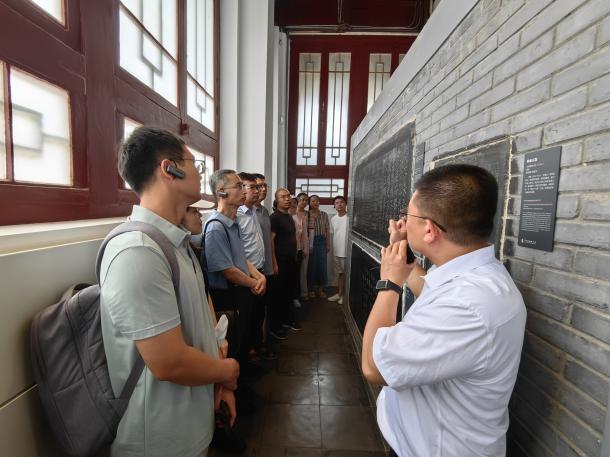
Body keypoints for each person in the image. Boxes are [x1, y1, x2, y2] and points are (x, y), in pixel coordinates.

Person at [361, 164, 526, 457]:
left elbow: (373, 366)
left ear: (429, 229)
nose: (403, 221)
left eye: (408, 215)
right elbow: (428, 292)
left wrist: (389, 284)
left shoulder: (469, 306)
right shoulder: (474, 274)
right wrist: (401, 248)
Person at [101, 126, 239, 457]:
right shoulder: (137, 250)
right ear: (169, 169)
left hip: (189, 424)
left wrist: (219, 381)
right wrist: (228, 371)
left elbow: (199, 325)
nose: (200, 174)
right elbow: (169, 362)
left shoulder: (175, 242)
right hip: (159, 438)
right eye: (194, 164)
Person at [204, 169, 266, 371]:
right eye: (239, 186)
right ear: (221, 192)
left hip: (242, 289)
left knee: (245, 337)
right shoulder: (216, 227)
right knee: (234, 344)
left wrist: (258, 276)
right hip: (229, 295)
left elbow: (240, 257)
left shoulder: (233, 221)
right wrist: (254, 283)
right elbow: (227, 270)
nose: (244, 191)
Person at [236, 172, 266, 361]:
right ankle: (247, 353)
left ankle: (256, 345)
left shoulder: (253, 211)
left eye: (258, 187)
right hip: (246, 274)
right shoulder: (237, 215)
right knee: (246, 317)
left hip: (259, 271)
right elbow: (238, 250)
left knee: (258, 314)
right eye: (253, 187)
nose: (257, 191)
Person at [253, 173, 287, 342]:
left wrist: (273, 262)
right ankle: (256, 343)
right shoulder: (245, 213)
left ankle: (266, 337)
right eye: (258, 186)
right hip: (253, 268)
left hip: (266, 266)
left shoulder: (265, 211)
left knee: (267, 304)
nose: (262, 189)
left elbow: (268, 241)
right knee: (254, 310)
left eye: (264, 186)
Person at [270, 188, 302, 333]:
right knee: (279, 294)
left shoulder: (288, 216)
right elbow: (271, 241)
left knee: (289, 292)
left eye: (288, 196)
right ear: (277, 200)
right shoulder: (274, 218)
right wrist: (274, 263)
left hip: (290, 261)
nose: (287, 199)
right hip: (280, 262)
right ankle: (277, 326)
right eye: (283, 197)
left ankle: (288, 320)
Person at [306, 194, 330, 299]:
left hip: (321, 242)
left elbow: (327, 231)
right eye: (313, 201)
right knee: (311, 266)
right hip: (309, 242)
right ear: (309, 203)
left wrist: (328, 244)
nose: (316, 203)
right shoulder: (307, 214)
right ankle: (311, 289)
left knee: (322, 266)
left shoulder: (324, 214)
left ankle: (320, 289)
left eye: (317, 201)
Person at [329, 195, 348, 305]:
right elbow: (333, 234)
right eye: (336, 203)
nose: (339, 204)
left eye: (341, 202)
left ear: (345, 204)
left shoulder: (350, 218)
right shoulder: (333, 219)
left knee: (347, 275)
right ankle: (340, 294)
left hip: (347, 252)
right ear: (334, 206)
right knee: (340, 274)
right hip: (336, 251)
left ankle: (345, 296)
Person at [295, 192, 310, 301]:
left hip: (305, 245)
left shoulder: (308, 214)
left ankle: (304, 293)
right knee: (294, 272)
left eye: (306, 200)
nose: (304, 202)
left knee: (303, 272)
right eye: (302, 200)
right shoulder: (291, 212)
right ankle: (294, 295)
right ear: (297, 200)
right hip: (294, 247)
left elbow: (309, 232)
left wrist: (307, 248)